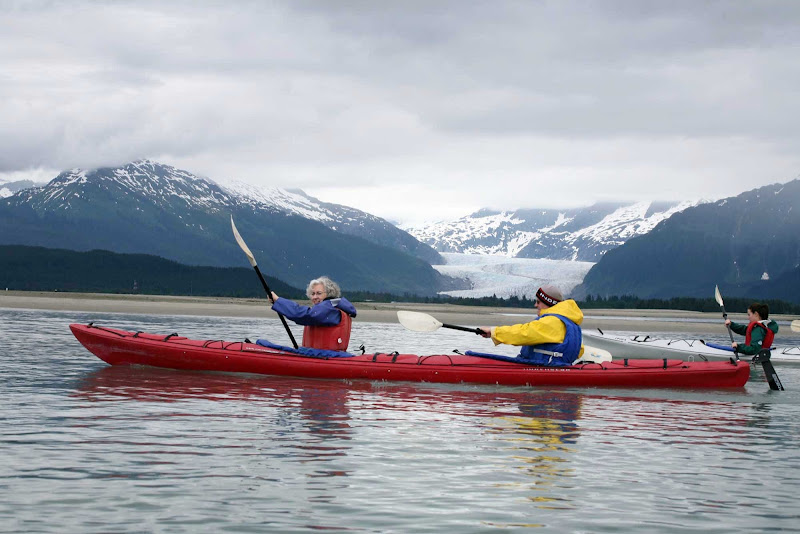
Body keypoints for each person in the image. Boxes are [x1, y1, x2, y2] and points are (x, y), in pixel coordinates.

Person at [477, 285, 584, 366]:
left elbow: (524, 333)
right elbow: (579, 351)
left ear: (549, 302)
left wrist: (493, 332)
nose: (535, 305)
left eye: (538, 302)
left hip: (541, 366)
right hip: (558, 366)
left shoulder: (552, 321)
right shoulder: (572, 323)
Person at [271, 276, 357, 351]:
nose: (315, 297)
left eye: (319, 293)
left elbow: (304, 315)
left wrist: (278, 301)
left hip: (327, 358)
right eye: (313, 294)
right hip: (320, 354)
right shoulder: (331, 308)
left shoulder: (330, 310)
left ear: (329, 294)